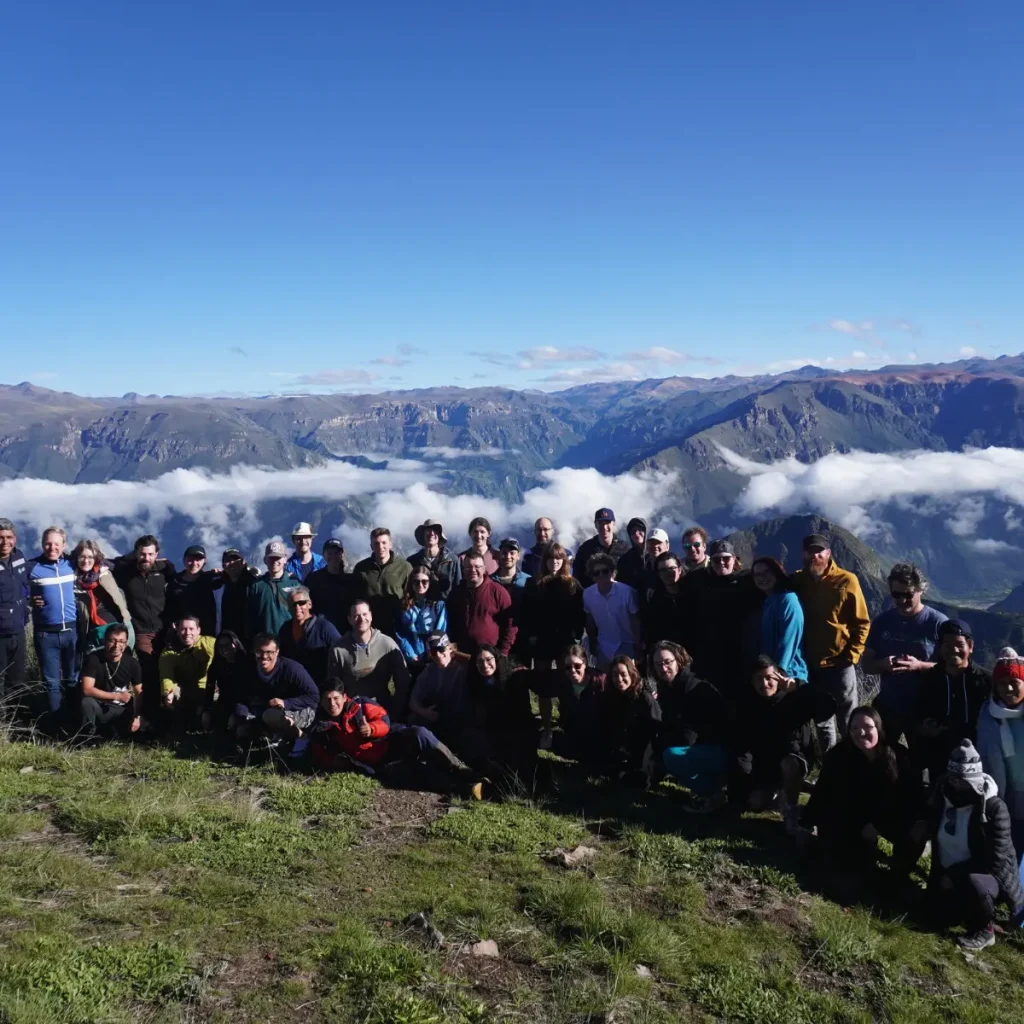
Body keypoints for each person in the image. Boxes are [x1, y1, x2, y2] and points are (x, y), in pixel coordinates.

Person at [917, 739, 1024, 950]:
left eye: (963, 779)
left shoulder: (994, 808)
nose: (957, 783)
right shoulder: (942, 793)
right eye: (953, 777)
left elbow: (995, 860)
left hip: (983, 877)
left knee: (975, 884)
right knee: (930, 917)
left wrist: (955, 875)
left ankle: (984, 930)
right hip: (946, 872)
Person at [802, 707, 925, 878]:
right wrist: (807, 822)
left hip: (892, 815)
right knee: (846, 869)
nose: (861, 732)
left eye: (868, 727)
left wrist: (879, 825)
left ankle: (900, 870)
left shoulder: (899, 756)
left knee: (916, 831)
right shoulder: (838, 756)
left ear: (878, 728)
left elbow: (911, 799)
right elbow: (823, 792)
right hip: (855, 816)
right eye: (854, 728)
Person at [310, 683, 482, 796]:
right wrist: (334, 761)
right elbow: (318, 752)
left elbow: (384, 720)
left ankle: (461, 769)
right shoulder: (322, 725)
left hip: (392, 740)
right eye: (327, 699)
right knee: (417, 774)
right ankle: (463, 790)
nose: (332, 704)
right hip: (379, 763)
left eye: (335, 698)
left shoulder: (360, 705)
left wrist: (371, 729)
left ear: (343, 696)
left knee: (420, 733)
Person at [730, 655, 836, 835]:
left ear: (779, 676)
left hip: (795, 759)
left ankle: (792, 810)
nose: (764, 684)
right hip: (766, 767)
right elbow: (743, 747)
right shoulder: (748, 703)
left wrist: (799, 687)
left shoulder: (795, 696)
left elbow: (828, 707)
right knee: (754, 804)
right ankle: (783, 791)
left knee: (790, 763)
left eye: (769, 678)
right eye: (759, 679)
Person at [792, 533, 870, 751]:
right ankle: (830, 770)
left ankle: (854, 765)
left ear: (828, 553)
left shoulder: (847, 580)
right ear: (803, 554)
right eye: (809, 551)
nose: (814, 556)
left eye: (819, 551)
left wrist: (851, 656)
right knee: (823, 722)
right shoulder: (798, 580)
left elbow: (862, 622)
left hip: (840, 664)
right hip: (811, 664)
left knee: (848, 719)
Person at [863, 563, 948, 743]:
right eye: (896, 594)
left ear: (921, 591)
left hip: (925, 711)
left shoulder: (938, 623)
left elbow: (952, 668)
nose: (901, 600)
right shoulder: (881, 622)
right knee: (885, 762)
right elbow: (867, 665)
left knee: (920, 764)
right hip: (888, 707)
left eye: (908, 595)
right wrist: (884, 664)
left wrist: (919, 666)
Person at [909, 619, 991, 789]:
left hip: (980, 758)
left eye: (959, 644)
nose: (954, 649)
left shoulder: (985, 681)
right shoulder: (929, 680)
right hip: (939, 760)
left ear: (970, 646)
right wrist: (924, 728)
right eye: (947, 644)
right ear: (940, 647)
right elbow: (917, 715)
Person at [653, 641, 730, 813]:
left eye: (667, 662)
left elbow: (689, 736)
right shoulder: (667, 689)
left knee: (671, 756)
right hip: (701, 748)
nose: (663, 668)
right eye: (658, 664)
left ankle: (713, 794)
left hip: (720, 750)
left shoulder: (694, 688)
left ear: (679, 661)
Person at [680, 540, 761, 695]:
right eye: (716, 559)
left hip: (742, 655)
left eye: (726, 558)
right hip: (711, 656)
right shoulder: (701, 582)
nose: (721, 563)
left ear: (734, 559)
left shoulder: (748, 581)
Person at [113, 535, 176, 721]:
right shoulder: (126, 572)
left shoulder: (165, 570)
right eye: (142, 554)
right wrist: (131, 557)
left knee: (166, 673)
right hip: (141, 632)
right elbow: (112, 563)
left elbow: (180, 582)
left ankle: (168, 716)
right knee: (148, 673)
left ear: (156, 554)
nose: (146, 558)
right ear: (135, 554)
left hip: (164, 631)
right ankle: (150, 719)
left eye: (150, 554)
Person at [461, 644, 539, 787]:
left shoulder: (512, 679)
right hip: (492, 730)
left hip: (516, 729)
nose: (485, 665)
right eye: (479, 662)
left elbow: (522, 713)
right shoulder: (475, 683)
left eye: (488, 659)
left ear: (496, 659)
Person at [232, 633, 319, 754]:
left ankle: (301, 737)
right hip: (266, 708)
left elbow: (314, 696)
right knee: (236, 720)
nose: (263, 656)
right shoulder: (249, 669)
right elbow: (242, 697)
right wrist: (241, 719)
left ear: (277, 652)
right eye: (259, 652)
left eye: (269, 652)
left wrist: (286, 703)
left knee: (270, 715)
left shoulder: (292, 669)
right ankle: (266, 737)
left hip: (301, 709)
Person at [976, 648, 1024, 863]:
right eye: (1002, 683)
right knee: (1006, 848)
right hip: (1003, 795)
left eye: (1015, 682)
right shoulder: (987, 714)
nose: (1008, 688)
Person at [584, 655, 661, 786]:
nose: (619, 679)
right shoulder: (612, 696)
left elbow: (655, 733)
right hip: (622, 748)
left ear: (631, 674)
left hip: (644, 750)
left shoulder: (645, 699)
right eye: (615, 675)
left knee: (641, 781)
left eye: (623, 674)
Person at [327, 600, 411, 716]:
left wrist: (396, 709)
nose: (362, 619)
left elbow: (403, 679)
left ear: (371, 616)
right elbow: (334, 687)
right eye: (356, 616)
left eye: (365, 614)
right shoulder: (338, 650)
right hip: (352, 711)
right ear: (349, 620)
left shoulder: (387, 644)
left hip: (382, 711)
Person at [29, 527, 78, 717]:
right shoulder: (31, 567)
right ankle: (55, 727)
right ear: (42, 545)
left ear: (64, 545)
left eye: (56, 543)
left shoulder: (72, 564)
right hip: (46, 634)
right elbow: (16, 587)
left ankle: (74, 722)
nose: (52, 547)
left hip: (72, 632)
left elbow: (103, 562)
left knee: (73, 679)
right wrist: (28, 599)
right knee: (51, 682)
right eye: (48, 543)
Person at [407, 633, 472, 750]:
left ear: (450, 648)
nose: (438, 655)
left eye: (441, 649)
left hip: (458, 717)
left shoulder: (462, 669)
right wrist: (425, 712)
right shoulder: (429, 670)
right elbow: (413, 700)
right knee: (414, 720)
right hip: (435, 714)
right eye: (433, 652)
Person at [70, 539, 133, 657]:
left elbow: (128, 562)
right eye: (82, 557)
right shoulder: (71, 578)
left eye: (90, 557)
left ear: (96, 558)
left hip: (117, 626)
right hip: (90, 630)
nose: (86, 561)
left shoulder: (105, 572)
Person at [78, 624, 142, 738]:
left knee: (131, 732)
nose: (117, 645)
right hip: (100, 705)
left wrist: (137, 717)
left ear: (126, 643)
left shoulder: (132, 663)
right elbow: (87, 690)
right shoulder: (94, 659)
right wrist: (116, 696)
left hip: (121, 708)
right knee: (86, 702)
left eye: (121, 641)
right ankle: (86, 737)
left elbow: (139, 692)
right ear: (105, 641)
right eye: (112, 640)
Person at [447, 552, 516, 657]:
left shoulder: (498, 591)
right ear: (463, 569)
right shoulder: (456, 594)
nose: (473, 570)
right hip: (461, 656)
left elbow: (511, 625)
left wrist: (503, 653)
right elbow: (450, 623)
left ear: (484, 569)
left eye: (477, 567)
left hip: (490, 657)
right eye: (468, 567)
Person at [751, 556, 808, 683]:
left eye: (767, 572)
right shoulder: (765, 603)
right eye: (758, 575)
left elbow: (790, 638)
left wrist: (780, 671)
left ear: (776, 573)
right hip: (769, 676)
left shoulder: (788, 600)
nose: (763, 577)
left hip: (788, 676)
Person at [583, 552, 642, 670]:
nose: (601, 575)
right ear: (592, 576)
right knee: (604, 683)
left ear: (612, 572)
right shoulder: (587, 594)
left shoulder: (627, 592)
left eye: (605, 571)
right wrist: (593, 643)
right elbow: (590, 620)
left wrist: (639, 645)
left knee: (626, 680)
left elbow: (635, 620)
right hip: (604, 645)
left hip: (627, 643)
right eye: (596, 573)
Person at [158, 616, 217, 729]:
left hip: (209, 689)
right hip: (185, 690)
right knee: (173, 697)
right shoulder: (169, 652)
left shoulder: (210, 643)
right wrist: (168, 692)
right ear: (177, 630)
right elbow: (167, 676)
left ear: (198, 630)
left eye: (191, 629)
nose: (187, 633)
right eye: (183, 629)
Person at [352, 527, 411, 638]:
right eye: (376, 544)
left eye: (384, 543)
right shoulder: (361, 569)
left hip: (398, 628)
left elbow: (411, 596)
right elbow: (355, 598)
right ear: (371, 546)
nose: (381, 547)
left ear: (390, 544)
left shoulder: (404, 567)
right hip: (370, 628)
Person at [276, 585, 342, 685]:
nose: (297, 607)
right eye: (293, 604)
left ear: (309, 604)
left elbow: (341, 652)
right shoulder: (285, 629)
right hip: (294, 686)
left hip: (320, 686)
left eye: (301, 603)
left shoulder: (324, 627)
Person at [246, 541, 301, 640]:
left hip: (290, 642)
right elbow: (249, 618)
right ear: (265, 560)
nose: (275, 561)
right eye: (271, 558)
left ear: (285, 559)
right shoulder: (256, 586)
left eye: (278, 558)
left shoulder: (295, 584)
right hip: (264, 644)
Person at [164, 544, 221, 639]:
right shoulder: (173, 582)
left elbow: (232, 577)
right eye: (190, 559)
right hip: (181, 635)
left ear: (204, 562)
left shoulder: (210, 579)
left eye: (198, 560)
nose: (194, 563)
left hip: (206, 636)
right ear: (184, 560)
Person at [395, 568, 447, 670]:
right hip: (411, 656)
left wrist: (432, 653)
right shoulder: (404, 605)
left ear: (430, 582)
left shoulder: (438, 604)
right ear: (411, 583)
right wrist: (411, 654)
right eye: (416, 581)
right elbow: (400, 632)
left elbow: (441, 630)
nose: (420, 585)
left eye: (424, 581)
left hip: (434, 657)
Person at [0, 518, 29, 699]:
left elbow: (26, 583)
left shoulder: (19, 557)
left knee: (17, 680)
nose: (5, 542)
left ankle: (16, 721)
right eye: (0, 537)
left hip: (19, 630)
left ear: (15, 539)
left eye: (8, 537)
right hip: (0, 634)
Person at [306, 538, 359, 632]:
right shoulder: (314, 579)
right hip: (321, 632)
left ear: (342, 554)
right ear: (323, 555)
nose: (333, 556)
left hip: (347, 633)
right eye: (329, 553)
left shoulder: (351, 579)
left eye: (336, 553)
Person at [202, 631, 250, 732]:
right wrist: (205, 709)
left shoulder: (248, 662)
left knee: (235, 725)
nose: (224, 649)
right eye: (220, 646)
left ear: (235, 644)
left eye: (227, 645)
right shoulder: (216, 666)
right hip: (224, 702)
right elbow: (209, 689)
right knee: (207, 720)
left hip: (244, 703)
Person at [573, 508, 629, 589]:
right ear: (595, 525)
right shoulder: (585, 549)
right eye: (600, 523)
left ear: (614, 523)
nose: (604, 527)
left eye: (607, 523)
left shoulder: (625, 549)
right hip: (594, 597)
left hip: (620, 596)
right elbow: (577, 576)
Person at [490, 537, 530, 650]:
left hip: (522, 639)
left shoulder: (528, 581)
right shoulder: (489, 582)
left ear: (518, 556)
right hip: (495, 638)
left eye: (512, 553)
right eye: (504, 553)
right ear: (499, 555)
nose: (508, 556)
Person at [642, 551, 687, 648]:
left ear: (679, 569)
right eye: (662, 570)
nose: (668, 573)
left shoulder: (692, 594)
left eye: (671, 568)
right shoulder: (654, 601)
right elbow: (651, 633)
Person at [408, 519, 461, 600]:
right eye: (428, 530)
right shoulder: (412, 561)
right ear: (423, 534)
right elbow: (409, 589)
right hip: (420, 609)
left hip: (446, 609)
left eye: (435, 530)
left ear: (440, 535)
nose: (431, 533)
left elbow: (458, 588)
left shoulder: (452, 560)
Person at [219, 548, 260, 638]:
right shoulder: (221, 585)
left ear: (243, 562)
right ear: (223, 565)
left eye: (235, 559)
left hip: (252, 639)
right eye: (228, 561)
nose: (232, 563)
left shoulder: (254, 583)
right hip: (229, 640)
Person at [614, 517, 648, 593]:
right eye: (633, 531)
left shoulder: (654, 554)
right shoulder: (625, 560)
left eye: (640, 529)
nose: (636, 533)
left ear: (646, 531)